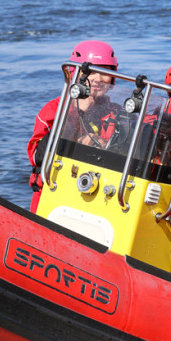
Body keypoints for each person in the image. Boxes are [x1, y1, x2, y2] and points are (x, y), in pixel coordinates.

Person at [27, 40, 120, 212]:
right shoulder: (54, 110)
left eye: (105, 71)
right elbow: (38, 156)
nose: (98, 79)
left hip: (99, 197)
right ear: (74, 73)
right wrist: (76, 114)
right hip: (54, 193)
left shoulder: (117, 113)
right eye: (90, 71)